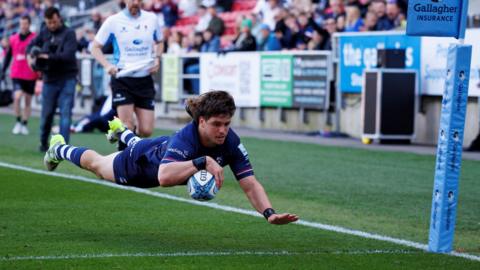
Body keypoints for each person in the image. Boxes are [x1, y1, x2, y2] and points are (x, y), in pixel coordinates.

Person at [43, 91, 299, 225]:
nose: (223, 130)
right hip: (140, 165)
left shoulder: (230, 141)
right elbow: (164, 177)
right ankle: (59, 148)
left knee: (142, 142)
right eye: (217, 124)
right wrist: (202, 162)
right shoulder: (186, 139)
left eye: (227, 124)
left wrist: (269, 213)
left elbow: (250, 183)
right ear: (201, 121)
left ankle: (121, 130)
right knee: (97, 165)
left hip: (155, 146)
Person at [90, 0, 162, 150]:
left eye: (138, 0)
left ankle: (119, 132)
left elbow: (160, 41)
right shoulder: (113, 21)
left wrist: (157, 58)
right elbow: (95, 47)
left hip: (144, 79)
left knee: (146, 131)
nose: (135, 3)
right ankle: (124, 159)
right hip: (122, 79)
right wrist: (107, 65)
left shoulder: (152, 19)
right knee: (128, 125)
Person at [27, 7, 78, 151]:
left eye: (54, 22)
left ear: (59, 18)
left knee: (65, 113)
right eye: (49, 22)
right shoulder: (44, 32)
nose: (52, 25)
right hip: (49, 79)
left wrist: (46, 56)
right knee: (46, 115)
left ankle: (63, 149)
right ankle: (43, 143)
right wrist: (30, 57)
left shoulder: (69, 33)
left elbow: (68, 55)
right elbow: (30, 45)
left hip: (67, 78)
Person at [1, 15, 39, 135]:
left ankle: (24, 123)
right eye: (21, 24)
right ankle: (18, 121)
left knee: (28, 101)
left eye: (25, 24)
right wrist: (2, 71)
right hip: (16, 73)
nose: (23, 26)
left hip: (30, 74)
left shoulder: (34, 38)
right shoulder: (13, 39)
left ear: (29, 24)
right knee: (17, 97)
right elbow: (8, 56)